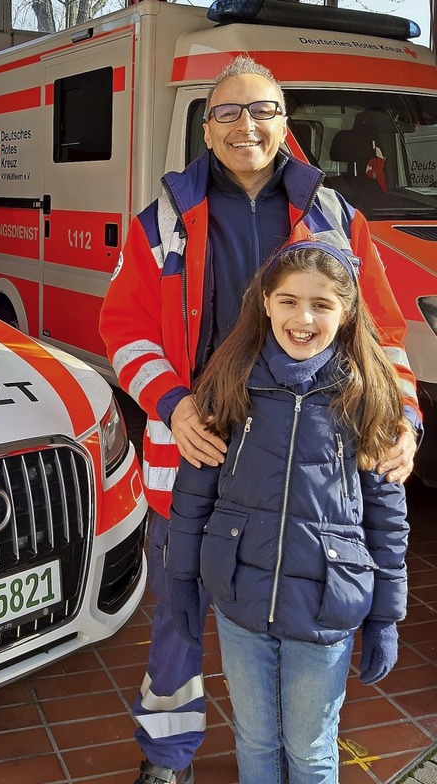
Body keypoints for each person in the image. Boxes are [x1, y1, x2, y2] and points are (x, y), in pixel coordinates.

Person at [99, 55, 420, 784]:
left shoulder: (337, 217)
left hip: (308, 462)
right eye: (229, 113)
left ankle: (284, 755)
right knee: (179, 622)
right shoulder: (160, 224)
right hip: (199, 446)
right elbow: (124, 329)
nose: (247, 125)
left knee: (288, 617)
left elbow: (383, 333)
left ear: (285, 122)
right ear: (205, 129)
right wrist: (173, 407)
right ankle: (167, 757)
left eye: (263, 110)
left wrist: (403, 418)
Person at [164, 240, 409, 784]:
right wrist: (182, 578)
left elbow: (387, 520)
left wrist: (386, 617)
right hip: (240, 603)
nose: (303, 318)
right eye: (288, 301)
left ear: (346, 313)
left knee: (310, 748)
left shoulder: (367, 394)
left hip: (324, 608)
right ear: (265, 304)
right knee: (254, 739)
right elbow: (193, 496)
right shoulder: (230, 383)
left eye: (322, 304)